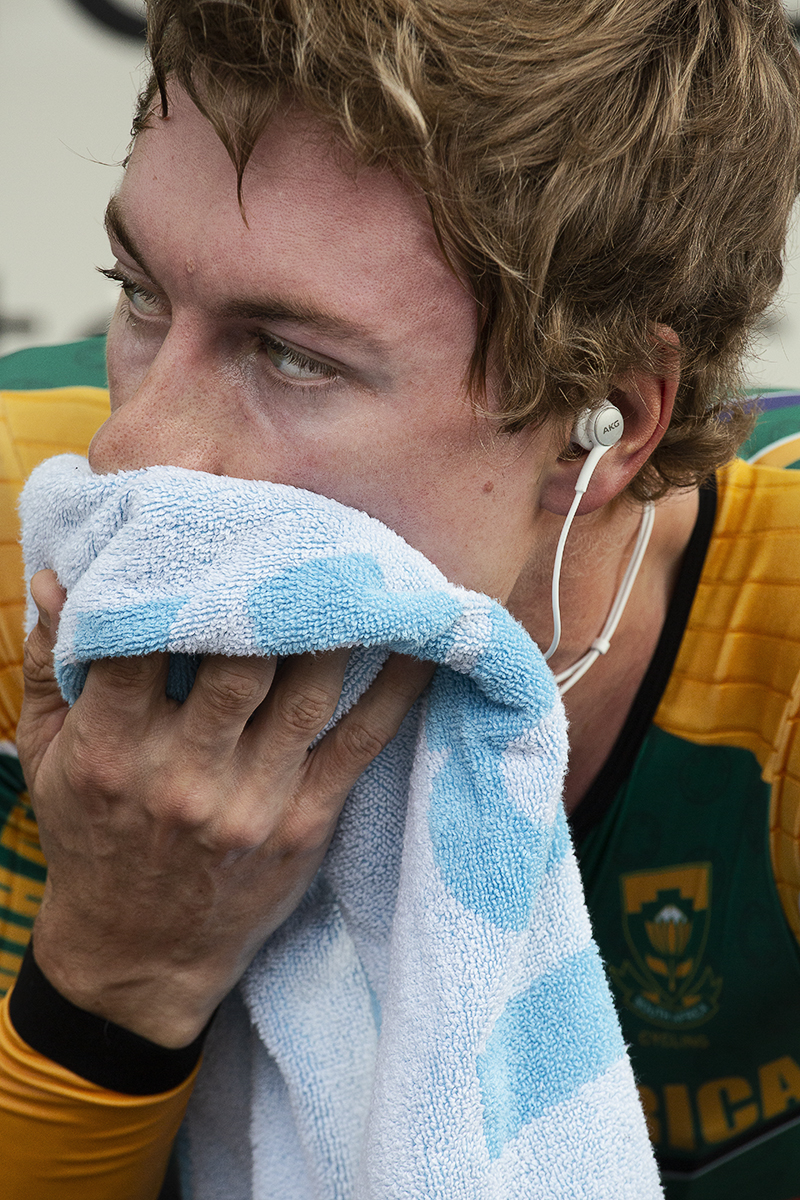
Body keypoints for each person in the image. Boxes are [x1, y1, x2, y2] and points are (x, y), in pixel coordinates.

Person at [2, 0, 800, 1196]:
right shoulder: (23, 531)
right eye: (140, 291)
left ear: (611, 423)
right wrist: (117, 975)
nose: (131, 451)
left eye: (290, 355)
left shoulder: (774, 655)